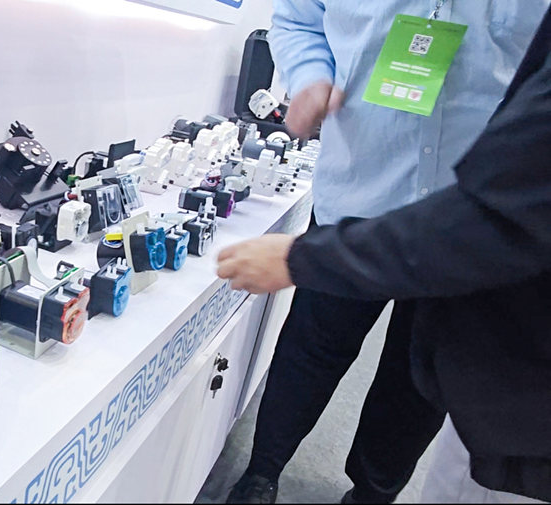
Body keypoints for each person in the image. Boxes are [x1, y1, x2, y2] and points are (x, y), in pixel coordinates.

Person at [217, 6, 551, 502]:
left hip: (463, 223)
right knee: (310, 350)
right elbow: (296, 19)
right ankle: (262, 471)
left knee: (417, 379)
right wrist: (310, 75)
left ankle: (372, 493)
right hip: (356, 190)